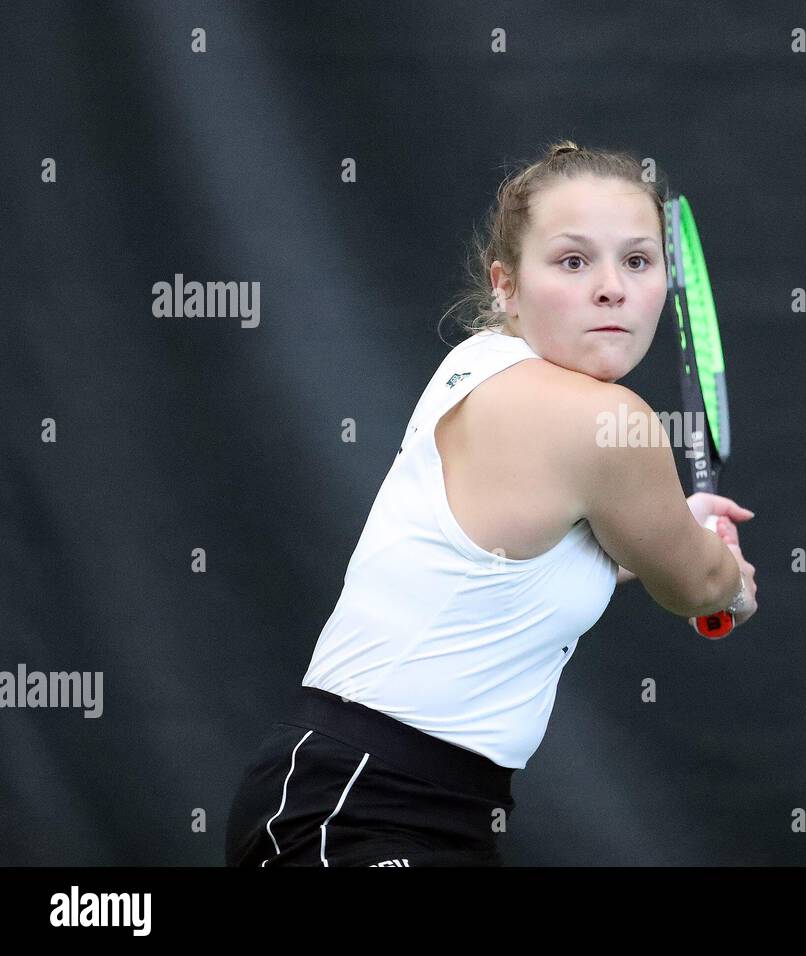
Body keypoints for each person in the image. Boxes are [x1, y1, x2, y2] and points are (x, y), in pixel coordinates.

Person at [224, 140, 758, 867]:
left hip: (416, 807)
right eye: (573, 261)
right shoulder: (609, 422)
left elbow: (528, 563)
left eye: (637, 260)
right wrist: (724, 580)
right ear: (505, 285)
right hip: (351, 808)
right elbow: (694, 586)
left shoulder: (477, 364)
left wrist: (678, 532)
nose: (611, 288)